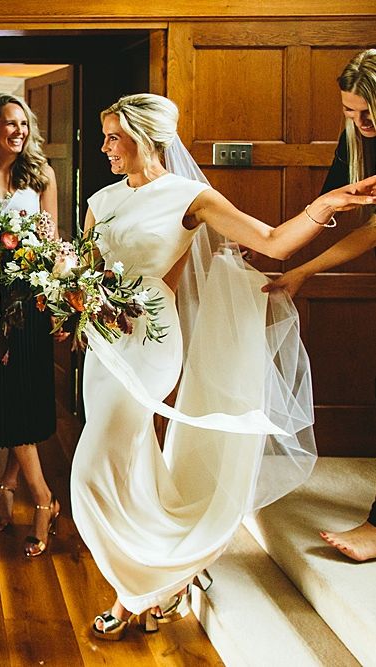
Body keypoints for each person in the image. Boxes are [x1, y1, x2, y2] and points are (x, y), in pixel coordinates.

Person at [69, 93, 376, 641]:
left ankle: (138, 587)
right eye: (105, 135)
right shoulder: (100, 200)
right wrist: (71, 296)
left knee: (90, 471)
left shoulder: (192, 197)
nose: (105, 147)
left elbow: (273, 242)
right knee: (133, 458)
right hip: (104, 345)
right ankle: (151, 586)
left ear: (146, 137)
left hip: (153, 342)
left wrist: (324, 206)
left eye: (115, 136)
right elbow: (86, 275)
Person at [263, 48, 376, 562]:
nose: (360, 122)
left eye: (368, 110)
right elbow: (369, 229)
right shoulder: (359, 137)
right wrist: (303, 270)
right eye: (350, 112)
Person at [0, 93, 63, 557]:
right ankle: (13, 490)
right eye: (9, 124)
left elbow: (54, 239)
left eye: (24, 124)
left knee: (21, 393)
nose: (19, 131)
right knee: (0, 392)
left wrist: (55, 295)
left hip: (30, 297)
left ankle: (40, 499)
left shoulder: (41, 175)